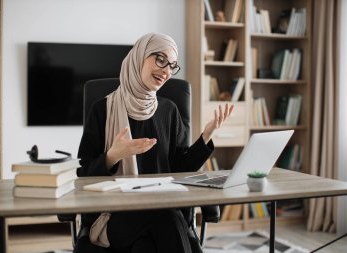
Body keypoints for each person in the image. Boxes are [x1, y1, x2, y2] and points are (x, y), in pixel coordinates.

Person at [76, 32, 234, 253]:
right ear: (139, 57)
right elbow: (82, 177)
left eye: (172, 65)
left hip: (161, 212)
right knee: (164, 214)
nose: (166, 71)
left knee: (146, 246)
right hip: (114, 215)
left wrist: (205, 136)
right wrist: (113, 156)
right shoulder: (102, 110)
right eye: (160, 59)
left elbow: (180, 169)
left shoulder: (169, 110)